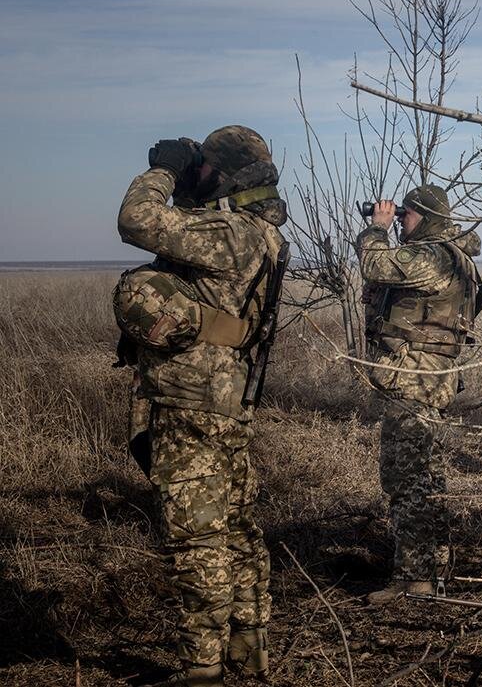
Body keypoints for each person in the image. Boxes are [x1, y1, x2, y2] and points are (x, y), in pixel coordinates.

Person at [113, 126, 288, 687]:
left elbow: (136, 220)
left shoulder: (231, 231)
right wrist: (196, 184)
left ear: (230, 176)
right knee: (236, 528)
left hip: (192, 399)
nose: (199, 176)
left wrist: (165, 170)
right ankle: (247, 652)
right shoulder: (255, 231)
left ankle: (202, 670)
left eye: (208, 169)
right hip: (224, 398)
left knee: (197, 539)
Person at [357, 184, 482, 603]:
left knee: (405, 479)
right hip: (427, 379)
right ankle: (435, 567)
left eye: (405, 215)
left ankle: (412, 579)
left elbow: (375, 264)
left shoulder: (435, 255)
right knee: (427, 477)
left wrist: (377, 228)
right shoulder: (452, 256)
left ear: (424, 217)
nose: (400, 222)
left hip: (416, 379)